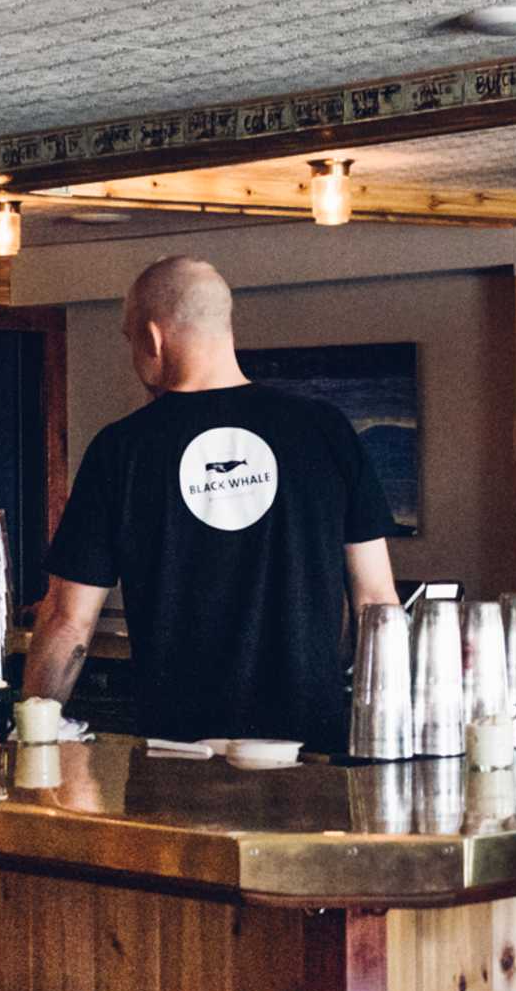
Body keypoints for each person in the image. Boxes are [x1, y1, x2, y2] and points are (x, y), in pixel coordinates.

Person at [25, 256, 402, 749]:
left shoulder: (123, 448)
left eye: (129, 338)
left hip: (176, 753)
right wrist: (392, 740)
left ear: (154, 339)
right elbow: (377, 603)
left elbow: (68, 618)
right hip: (310, 754)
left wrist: (29, 731)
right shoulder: (325, 430)